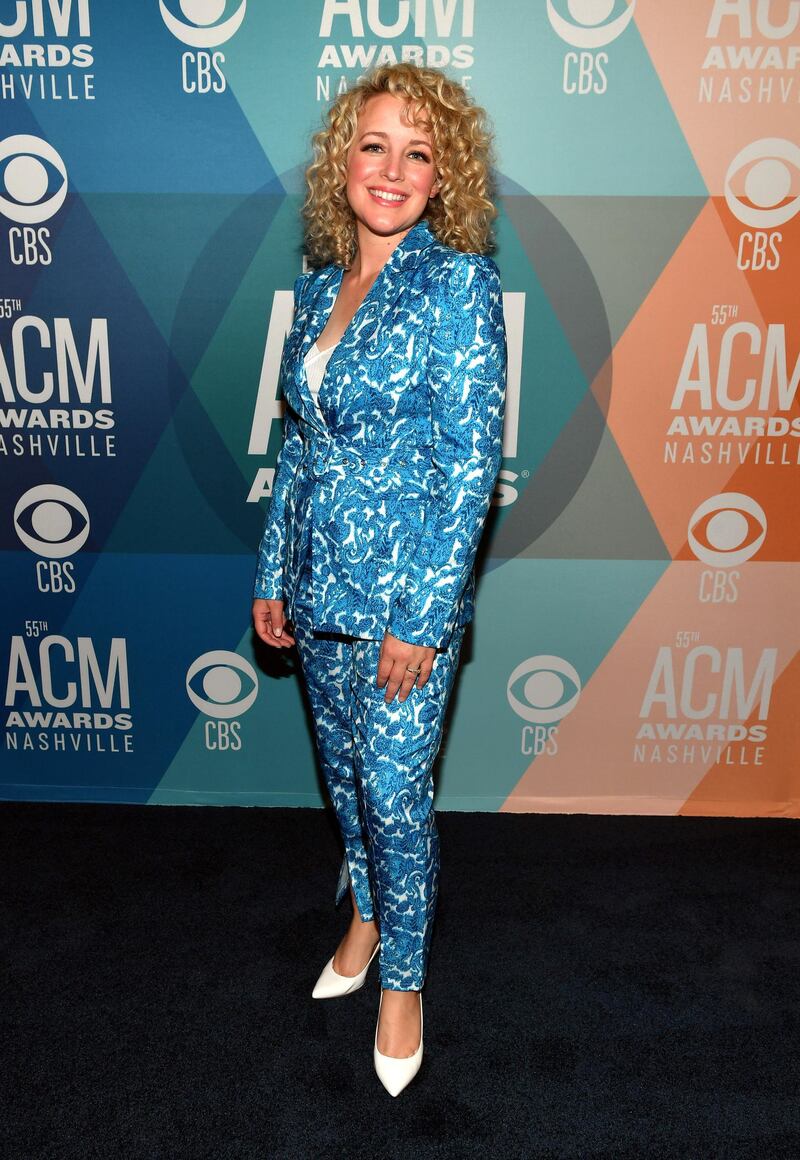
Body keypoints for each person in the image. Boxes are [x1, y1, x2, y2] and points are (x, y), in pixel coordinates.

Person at [252, 62, 507, 1097]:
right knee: (346, 777)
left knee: (397, 795)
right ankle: (363, 908)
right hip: (315, 590)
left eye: (417, 151)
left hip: (404, 604)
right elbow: (301, 447)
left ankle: (401, 979)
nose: (391, 167)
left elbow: (467, 466)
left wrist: (423, 613)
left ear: (442, 176)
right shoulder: (319, 284)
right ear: (341, 162)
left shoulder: (456, 283)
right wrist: (274, 566)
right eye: (373, 145)